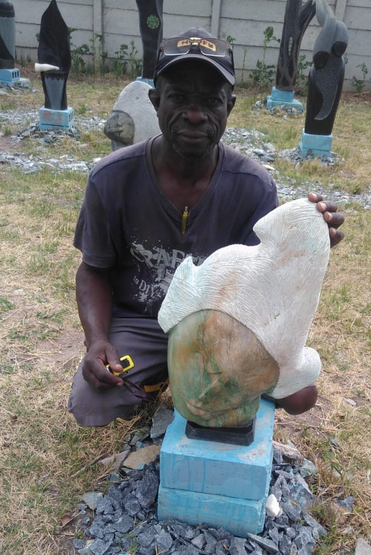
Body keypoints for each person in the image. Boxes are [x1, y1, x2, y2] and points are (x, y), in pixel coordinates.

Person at [68, 28, 344, 427]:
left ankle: (189, 376)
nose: (195, 114)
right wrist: (98, 341)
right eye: (179, 98)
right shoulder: (111, 178)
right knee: (92, 404)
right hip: (141, 322)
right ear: (155, 101)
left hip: (221, 328)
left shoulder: (252, 185)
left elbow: (264, 284)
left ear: (229, 107)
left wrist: (305, 250)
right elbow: (93, 270)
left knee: (301, 394)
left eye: (211, 101)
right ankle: (160, 372)